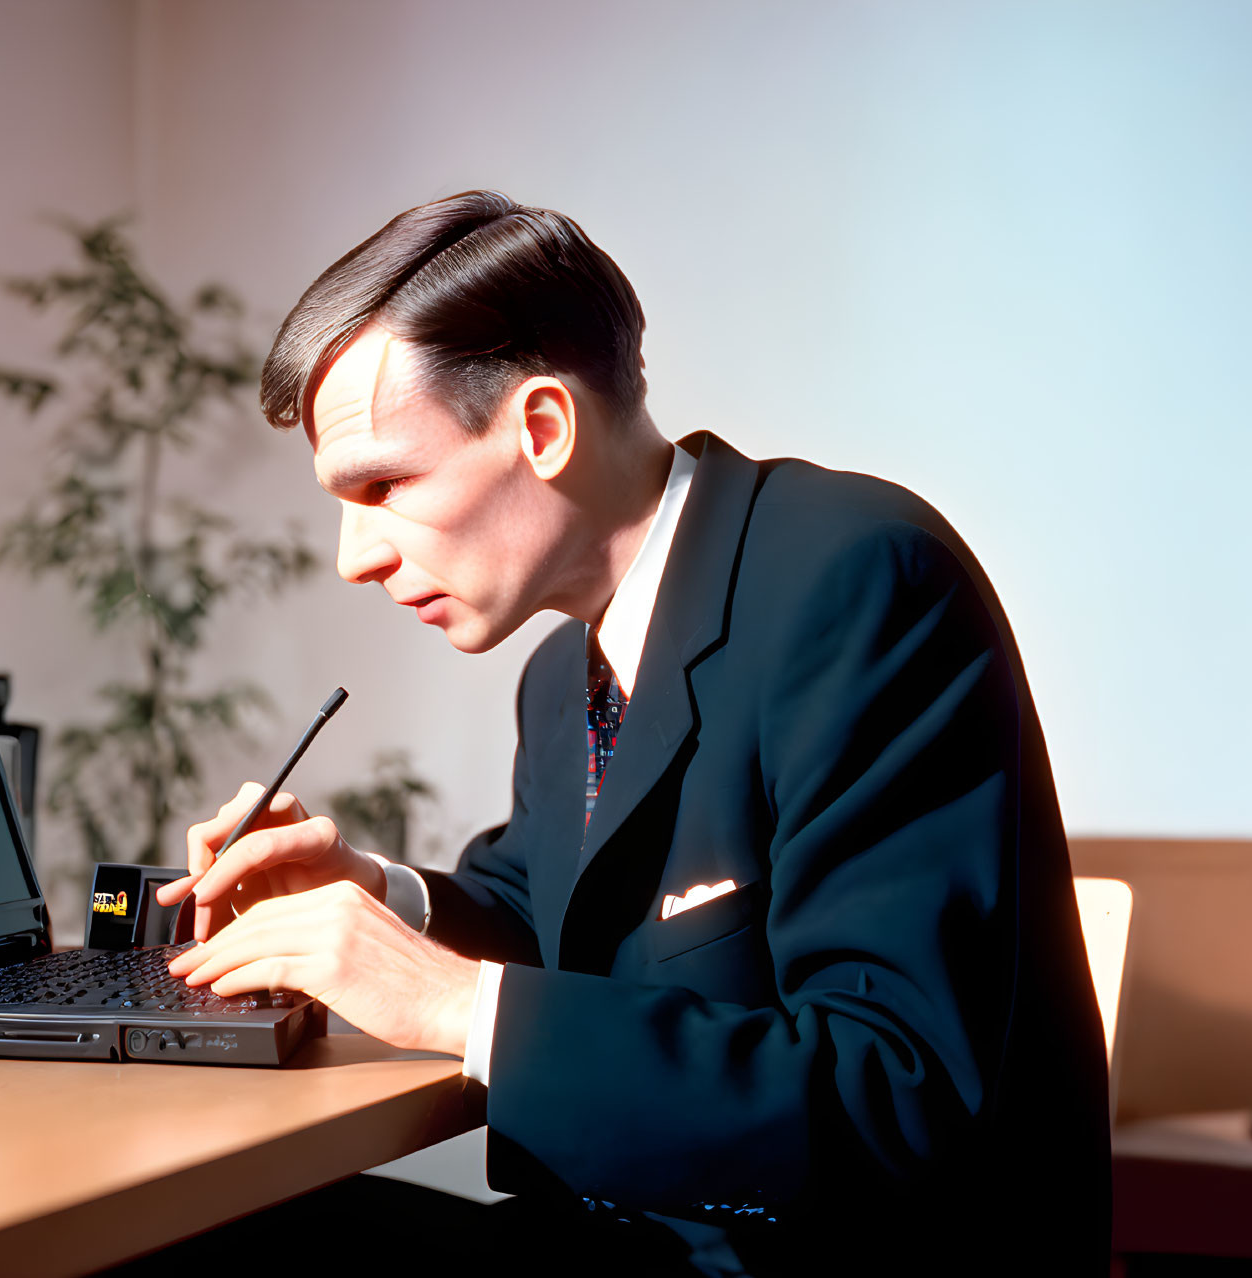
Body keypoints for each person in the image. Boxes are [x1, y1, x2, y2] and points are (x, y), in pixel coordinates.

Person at [148, 191, 1111, 1276]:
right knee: (186, 1242)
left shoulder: (856, 577)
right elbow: (553, 920)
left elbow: (890, 1089)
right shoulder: (563, 673)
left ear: (542, 428)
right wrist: (376, 893)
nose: (351, 556)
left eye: (381, 484)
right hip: (631, 1239)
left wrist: (445, 1001)